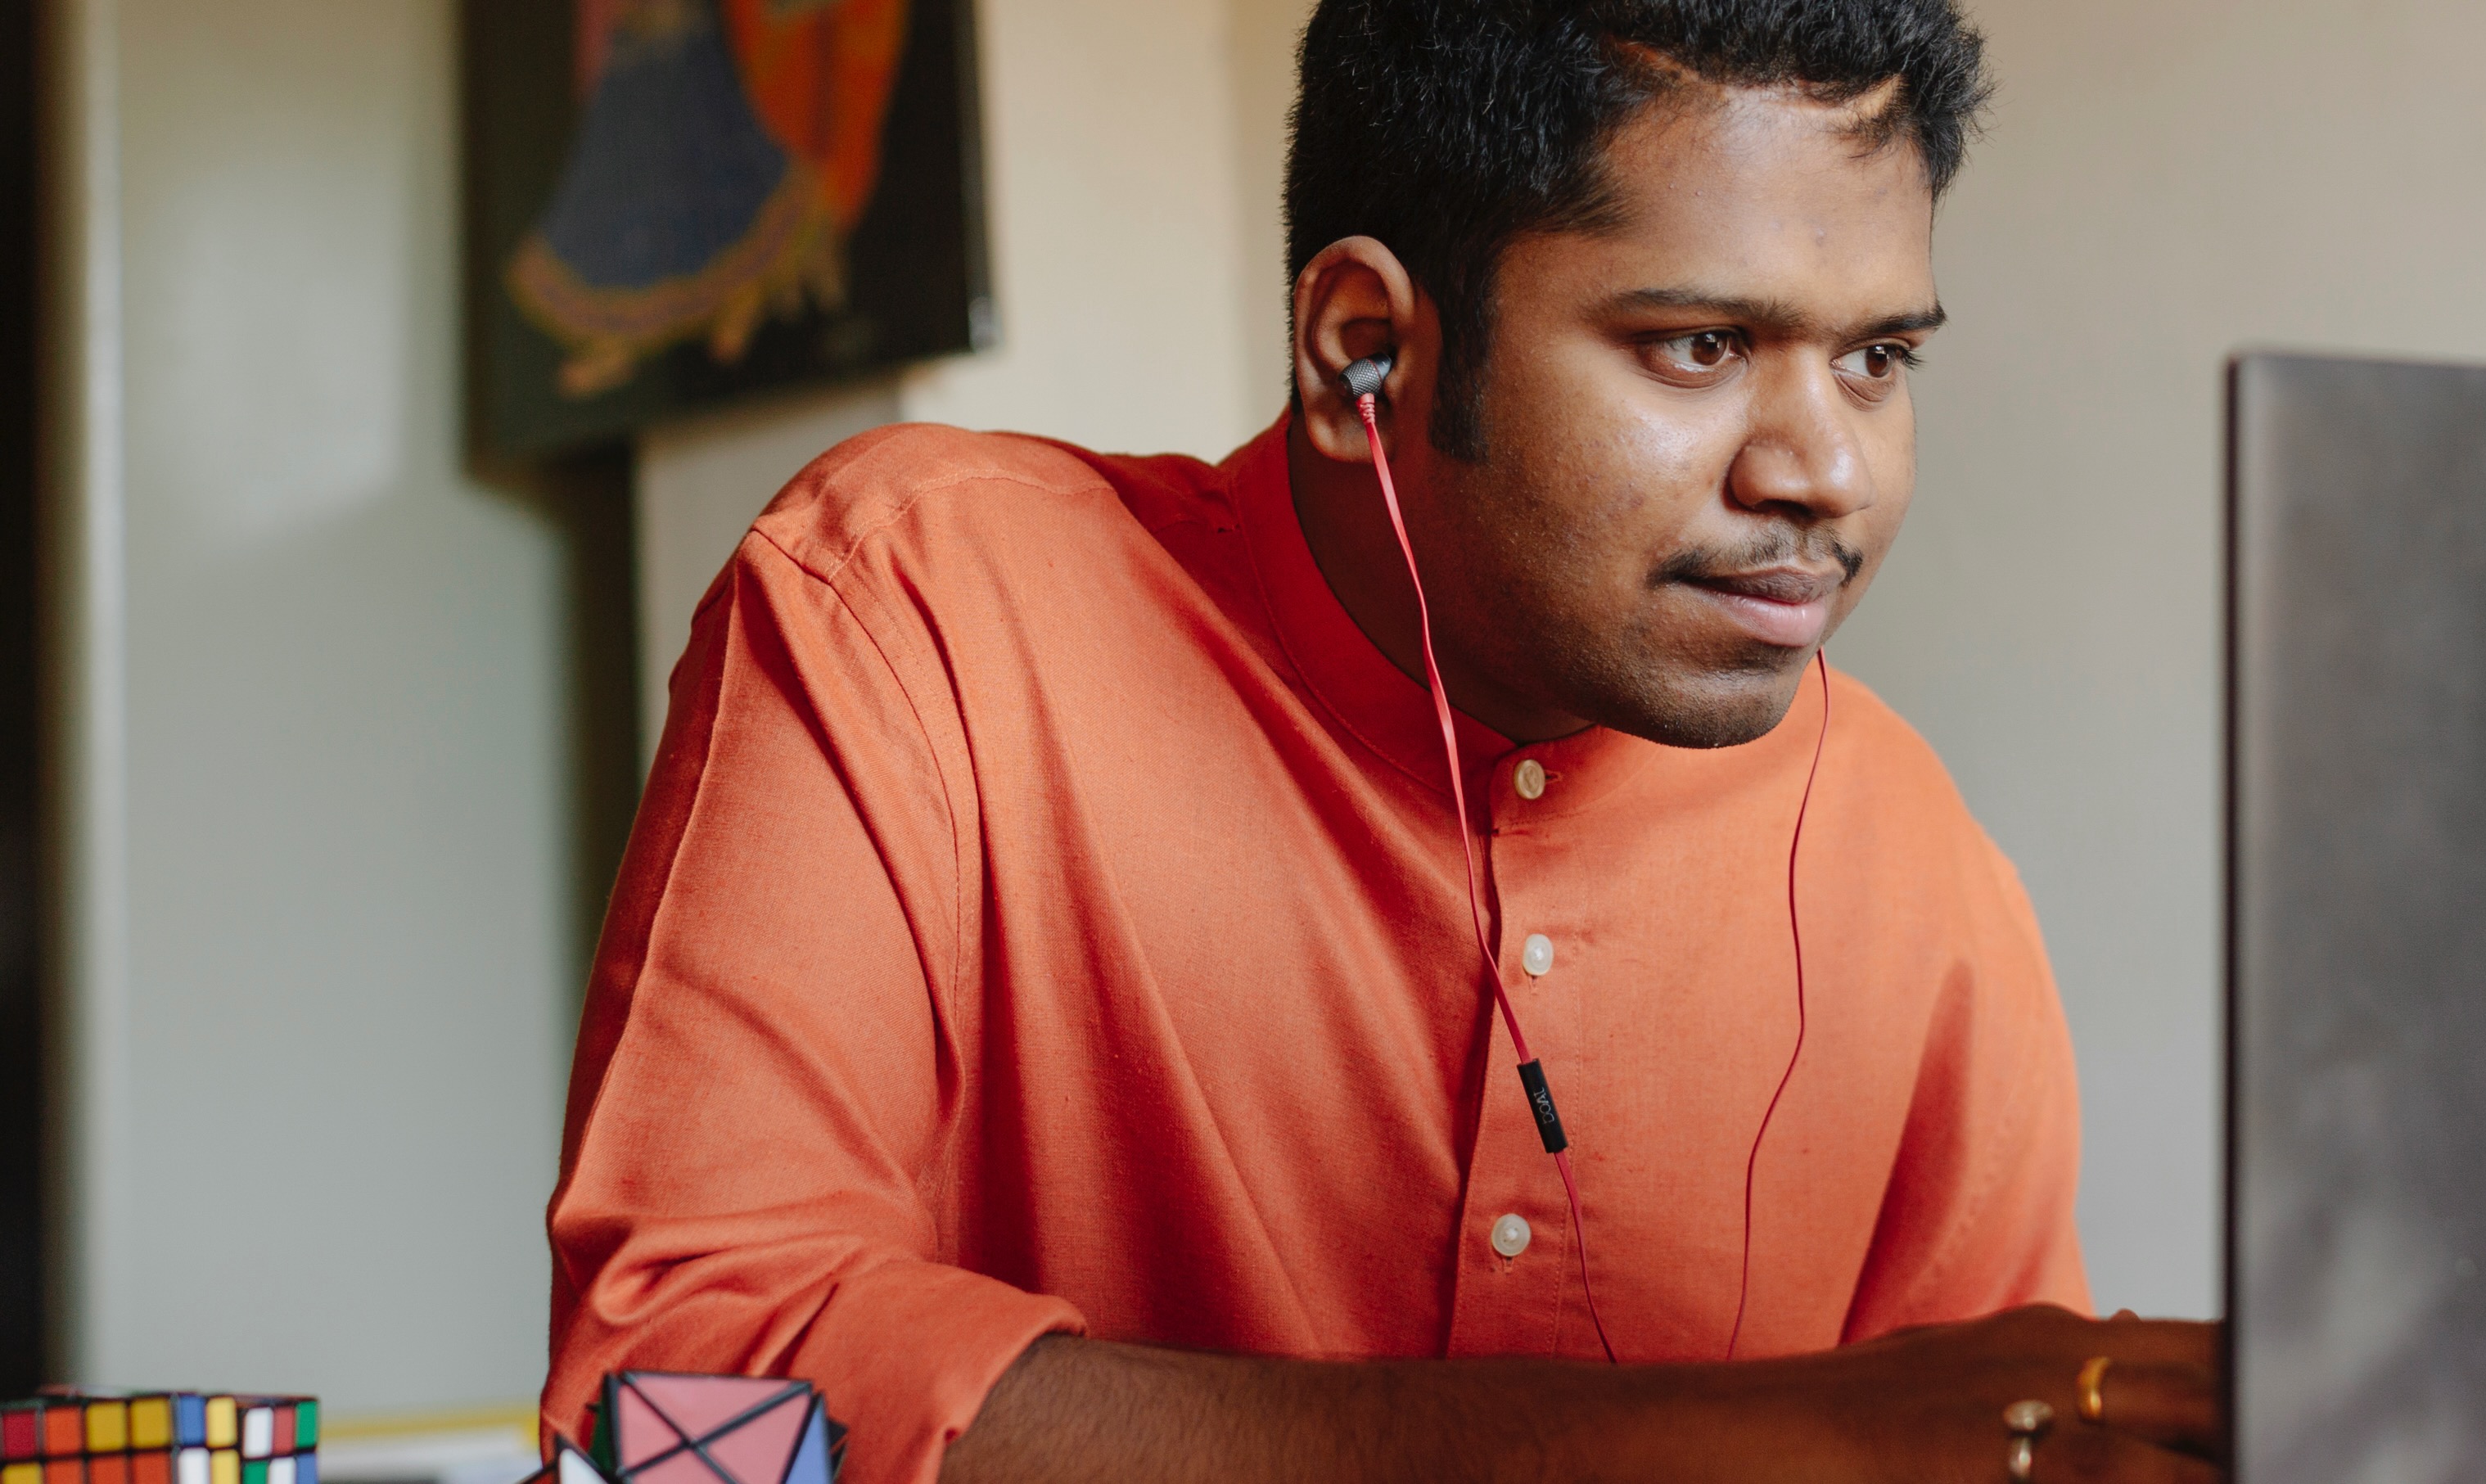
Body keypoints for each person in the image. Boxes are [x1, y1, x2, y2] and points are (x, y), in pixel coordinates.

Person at [540, 1, 2222, 1479]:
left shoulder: (1913, 864)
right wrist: (1717, 1445)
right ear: (1367, 348)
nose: (1825, 473)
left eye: (1874, 360)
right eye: (1701, 346)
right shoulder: (916, 613)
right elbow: (661, 1421)